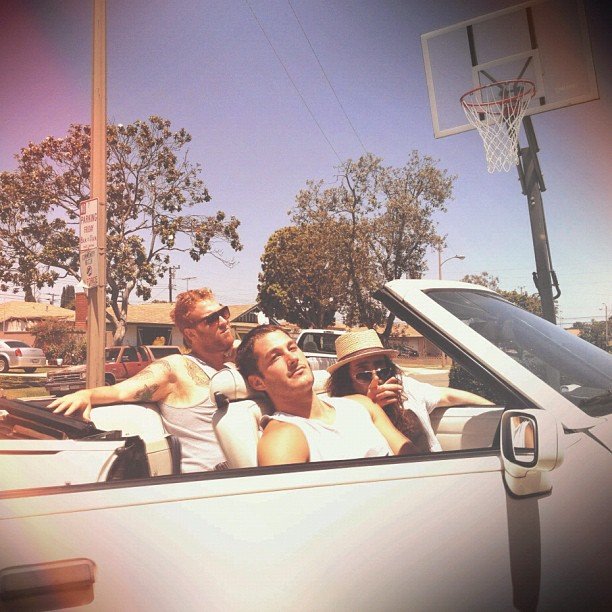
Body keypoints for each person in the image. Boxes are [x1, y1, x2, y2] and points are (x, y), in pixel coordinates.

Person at [49, 288, 234, 473]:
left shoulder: (234, 368)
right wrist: (87, 395)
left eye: (224, 313)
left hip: (246, 475)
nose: (224, 321)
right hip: (209, 483)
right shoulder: (176, 368)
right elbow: (120, 391)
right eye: (212, 319)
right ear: (191, 334)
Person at [235, 324, 421, 466]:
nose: (292, 358)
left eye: (292, 348)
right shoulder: (284, 438)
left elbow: (416, 462)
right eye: (275, 357)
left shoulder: (362, 404)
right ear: (258, 382)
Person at [326, 329, 494, 452]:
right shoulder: (342, 411)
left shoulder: (406, 387)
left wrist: (495, 410)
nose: (377, 378)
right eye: (364, 374)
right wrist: (373, 410)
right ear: (346, 379)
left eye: (381, 369)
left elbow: (449, 396)